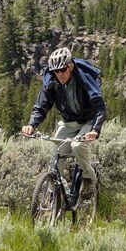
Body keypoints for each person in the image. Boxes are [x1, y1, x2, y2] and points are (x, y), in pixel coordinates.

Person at [21, 47, 106, 204]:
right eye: (55, 71)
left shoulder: (84, 78)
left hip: (88, 120)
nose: (59, 74)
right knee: (57, 154)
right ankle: (56, 196)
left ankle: (89, 180)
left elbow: (100, 107)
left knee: (77, 145)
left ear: (70, 66)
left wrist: (95, 130)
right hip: (69, 122)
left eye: (62, 69)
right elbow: (41, 106)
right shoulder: (52, 82)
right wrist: (31, 125)